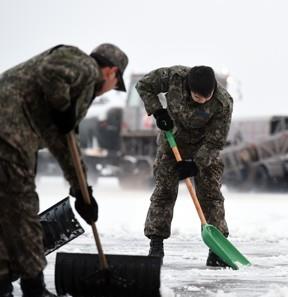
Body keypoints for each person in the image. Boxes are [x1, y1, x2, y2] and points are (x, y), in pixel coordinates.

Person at [0, 43, 128, 297]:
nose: (108, 92)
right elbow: (52, 68)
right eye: (115, 84)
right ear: (111, 72)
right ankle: (34, 287)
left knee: (5, 210)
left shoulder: (75, 92)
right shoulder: (86, 67)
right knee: (22, 210)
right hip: (9, 133)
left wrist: (82, 192)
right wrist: (62, 106)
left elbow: (66, 144)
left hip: (11, 135)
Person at [136, 65, 233, 267]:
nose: (203, 101)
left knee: (211, 195)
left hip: (204, 148)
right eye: (198, 97)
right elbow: (143, 85)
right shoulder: (174, 78)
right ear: (189, 88)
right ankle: (156, 244)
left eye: (207, 97)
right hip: (171, 141)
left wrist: (195, 165)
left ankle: (217, 249)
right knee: (164, 191)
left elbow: (215, 142)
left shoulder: (223, 102)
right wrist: (158, 111)